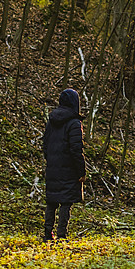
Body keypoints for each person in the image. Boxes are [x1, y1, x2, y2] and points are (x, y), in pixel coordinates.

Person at [42, 88, 86, 241]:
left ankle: (48, 233)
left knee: (52, 200)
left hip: (53, 167)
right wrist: (81, 171)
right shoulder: (74, 123)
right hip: (69, 169)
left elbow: (45, 145)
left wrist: (51, 161)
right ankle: (61, 234)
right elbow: (76, 149)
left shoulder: (52, 120)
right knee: (66, 201)